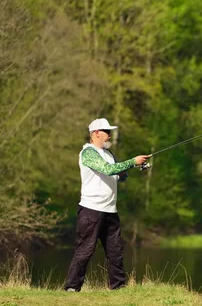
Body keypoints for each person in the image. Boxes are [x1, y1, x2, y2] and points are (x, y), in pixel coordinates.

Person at [64, 118, 151, 292]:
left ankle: (118, 287)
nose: (110, 135)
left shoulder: (109, 154)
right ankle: (72, 287)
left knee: (116, 251)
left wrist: (133, 168)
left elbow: (119, 175)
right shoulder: (88, 153)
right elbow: (107, 170)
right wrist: (133, 161)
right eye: (107, 131)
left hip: (110, 210)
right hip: (91, 210)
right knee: (85, 251)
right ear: (96, 133)